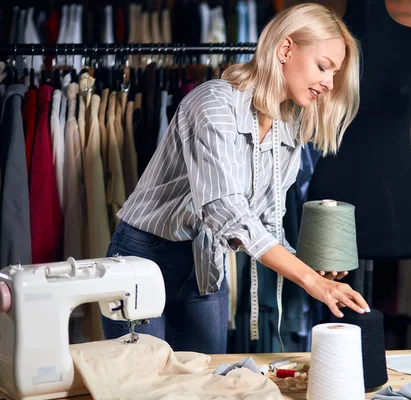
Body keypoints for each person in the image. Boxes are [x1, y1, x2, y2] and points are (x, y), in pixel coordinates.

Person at [102, 3, 369, 354]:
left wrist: (312, 271)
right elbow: (225, 211)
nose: (329, 83)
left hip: (205, 263)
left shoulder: (289, 128)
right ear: (285, 49)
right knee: (142, 383)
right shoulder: (213, 104)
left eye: (335, 74)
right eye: (324, 67)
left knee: (206, 381)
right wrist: (309, 282)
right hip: (143, 256)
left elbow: (267, 224)